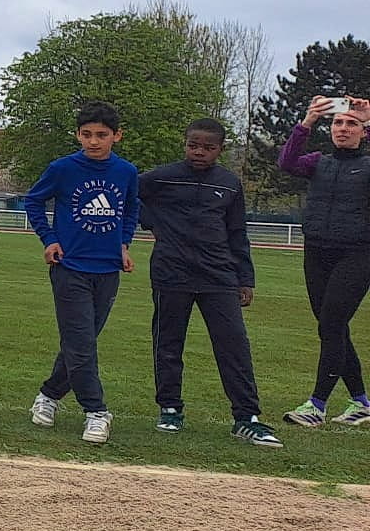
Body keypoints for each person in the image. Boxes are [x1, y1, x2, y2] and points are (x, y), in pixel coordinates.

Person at [138, 119, 279, 446]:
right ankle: (170, 408)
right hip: (171, 274)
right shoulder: (161, 177)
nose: (199, 152)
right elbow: (128, 195)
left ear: (220, 149)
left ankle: (246, 417)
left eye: (208, 147)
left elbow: (237, 232)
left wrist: (245, 278)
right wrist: (152, 222)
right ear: (185, 143)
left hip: (219, 275)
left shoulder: (229, 184)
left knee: (234, 346)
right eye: (193, 145)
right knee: (168, 344)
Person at [25, 100, 139, 446]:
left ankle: (48, 395)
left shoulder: (126, 172)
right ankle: (96, 411)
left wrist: (123, 243)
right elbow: (33, 200)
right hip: (69, 267)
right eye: (86, 134)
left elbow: (131, 208)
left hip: (107, 270)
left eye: (101, 135)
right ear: (77, 134)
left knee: (81, 342)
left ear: (116, 136)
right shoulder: (62, 168)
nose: (93, 141)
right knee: (81, 343)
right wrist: (49, 239)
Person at [279, 94, 370, 427]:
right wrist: (307, 121)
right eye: (338, 122)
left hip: (357, 254)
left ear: (363, 132)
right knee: (333, 327)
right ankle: (361, 402)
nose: (343, 128)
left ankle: (316, 405)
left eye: (351, 124)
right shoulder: (319, 162)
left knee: (331, 324)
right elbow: (287, 163)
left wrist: (369, 119)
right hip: (317, 251)